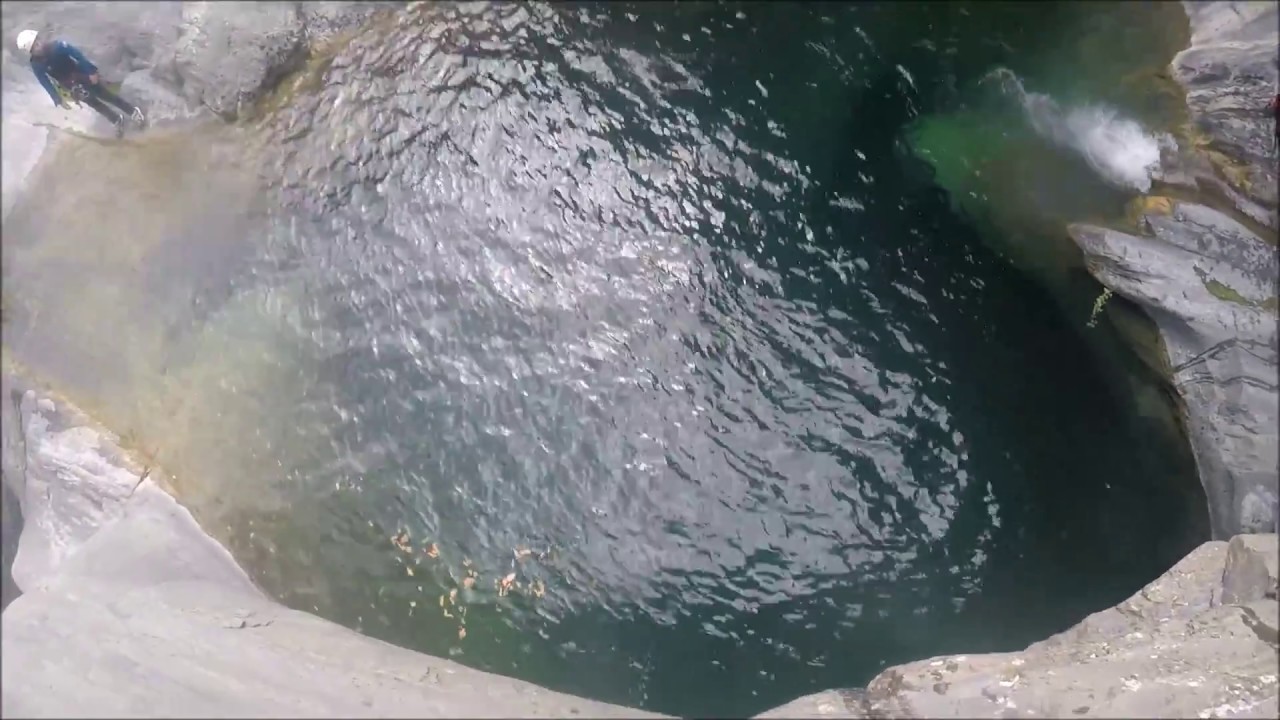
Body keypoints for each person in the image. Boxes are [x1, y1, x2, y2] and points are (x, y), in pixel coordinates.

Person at [16, 29, 144, 137]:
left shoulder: (58, 47)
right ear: (31, 51)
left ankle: (133, 111)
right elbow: (44, 81)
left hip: (82, 75)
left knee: (106, 95)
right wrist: (57, 99)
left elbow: (78, 56)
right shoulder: (36, 64)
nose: (39, 45)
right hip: (71, 86)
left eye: (38, 41)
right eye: (34, 47)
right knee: (94, 103)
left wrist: (91, 71)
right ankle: (116, 120)